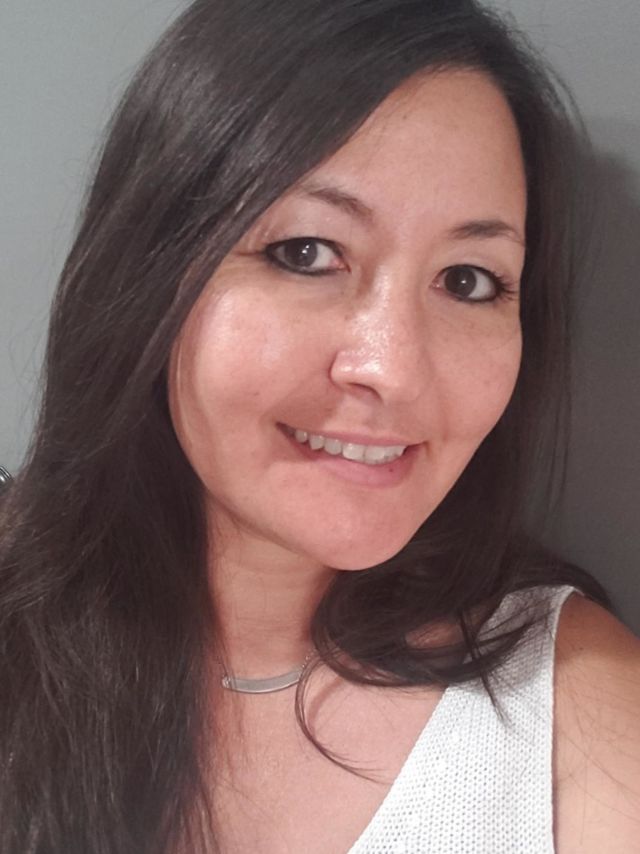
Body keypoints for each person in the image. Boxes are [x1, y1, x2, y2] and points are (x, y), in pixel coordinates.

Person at [0, 0, 638, 851]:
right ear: (148, 274)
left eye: (468, 280)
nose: (394, 369)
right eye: (306, 253)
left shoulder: (572, 714)